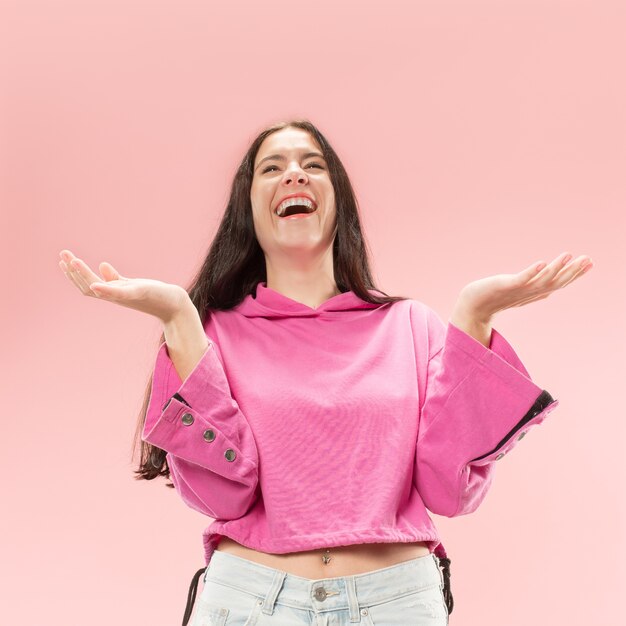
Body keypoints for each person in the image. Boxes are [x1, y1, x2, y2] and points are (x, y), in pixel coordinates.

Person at [59, 119, 593, 625]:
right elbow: (224, 498)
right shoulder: (211, 332)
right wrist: (178, 316)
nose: (294, 173)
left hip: (397, 601)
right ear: (248, 210)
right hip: (251, 598)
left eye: (312, 164)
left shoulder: (411, 327)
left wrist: (474, 316)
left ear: (338, 201)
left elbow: (449, 493)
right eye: (271, 167)